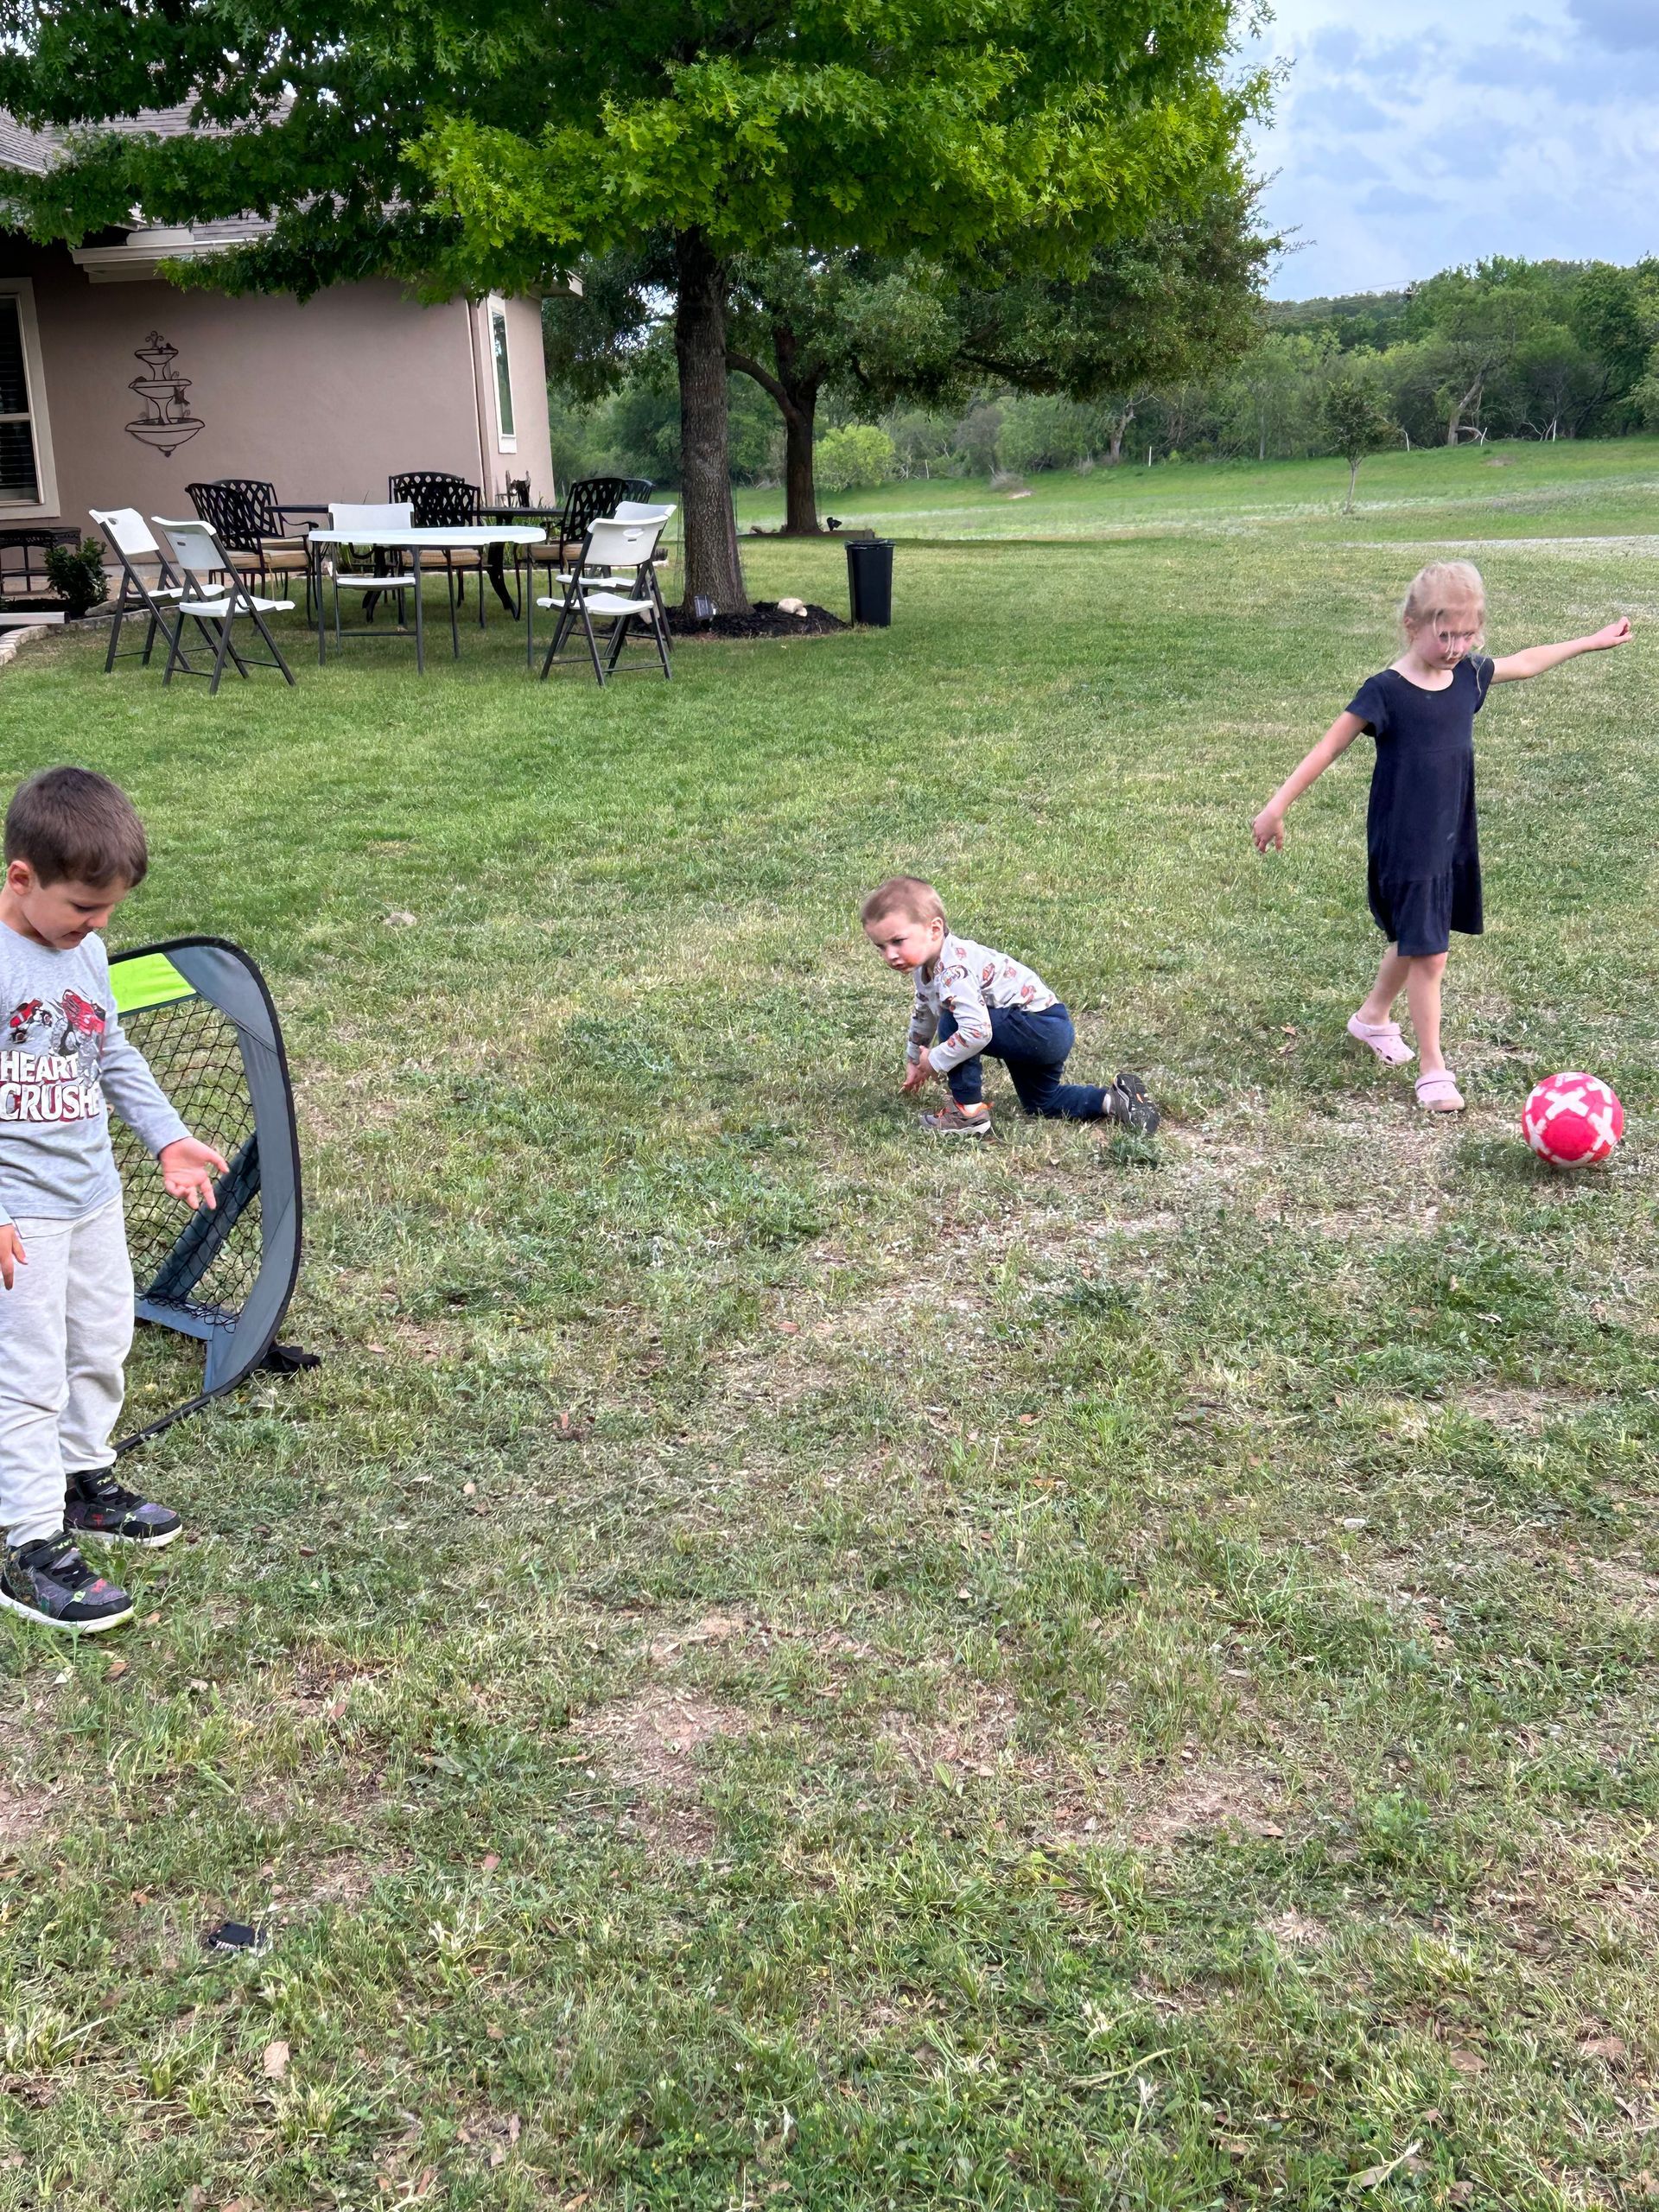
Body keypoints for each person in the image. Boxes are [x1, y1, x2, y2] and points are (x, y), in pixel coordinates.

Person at [1251, 562, 1631, 1111]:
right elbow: (1327, 748)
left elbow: (1525, 663)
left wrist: (1590, 641)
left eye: (1467, 634)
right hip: (1405, 840)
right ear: (1412, 625)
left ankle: (1373, 1019)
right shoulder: (1385, 691)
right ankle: (1433, 1068)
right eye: (1444, 633)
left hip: (1451, 834)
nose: (1456, 646)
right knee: (1430, 952)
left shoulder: (1468, 678)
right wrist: (1276, 806)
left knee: (1418, 935)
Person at [0, 767, 227, 1631]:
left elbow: (114, 1053)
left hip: (91, 1195)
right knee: (24, 1375)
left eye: (108, 914)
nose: (98, 929)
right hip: (20, 1216)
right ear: (22, 878)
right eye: (83, 911)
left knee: (100, 1336)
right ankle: (28, 1545)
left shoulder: (82, 949)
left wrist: (167, 1138)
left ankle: (81, 1476)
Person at [861, 875, 1159, 1137]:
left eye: (898, 941)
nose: (890, 955)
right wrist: (915, 1059)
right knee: (1042, 1102)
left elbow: (977, 1032)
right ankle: (1116, 1101)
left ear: (934, 929)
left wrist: (935, 1059)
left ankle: (968, 1114)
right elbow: (924, 1011)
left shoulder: (954, 970)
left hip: (1040, 1025)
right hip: (1039, 1029)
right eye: (881, 947)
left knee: (954, 1021)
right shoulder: (928, 969)